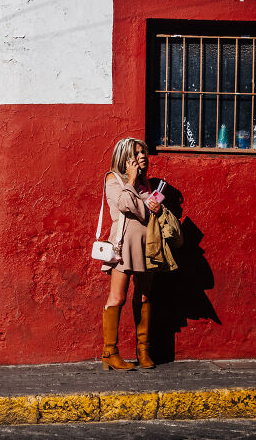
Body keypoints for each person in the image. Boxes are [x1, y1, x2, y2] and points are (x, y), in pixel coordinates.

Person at [100, 138, 161, 371]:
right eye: (138, 153)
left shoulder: (150, 184)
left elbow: (153, 212)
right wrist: (133, 181)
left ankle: (143, 352)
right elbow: (126, 205)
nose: (143, 156)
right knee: (118, 298)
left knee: (144, 297)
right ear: (126, 158)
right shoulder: (112, 180)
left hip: (148, 244)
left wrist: (156, 206)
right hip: (123, 243)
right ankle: (109, 353)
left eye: (144, 152)